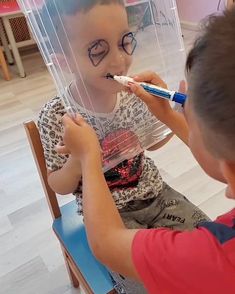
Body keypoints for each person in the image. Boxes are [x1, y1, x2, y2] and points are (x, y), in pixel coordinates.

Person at [60, 7, 235, 294]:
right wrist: (169, 114)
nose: (119, 60)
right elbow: (60, 181)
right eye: (98, 50)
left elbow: (107, 244)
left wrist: (88, 157)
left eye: (124, 42)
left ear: (228, 166)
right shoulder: (58, 113)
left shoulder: (211, 254)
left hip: (146, 201)